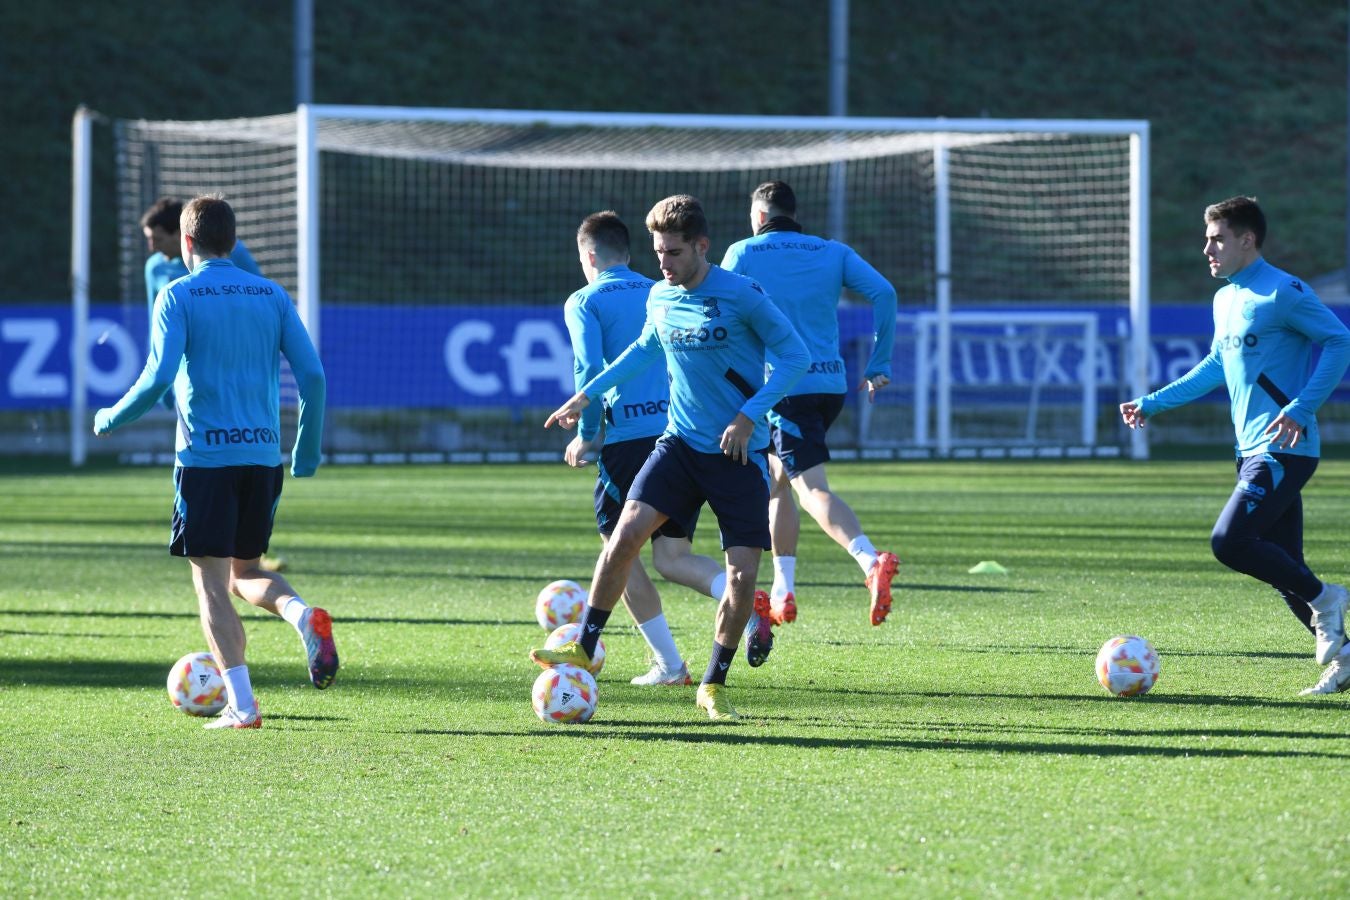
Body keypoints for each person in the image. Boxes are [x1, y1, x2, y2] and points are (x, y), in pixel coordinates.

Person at [532, 194, 809, 721]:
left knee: (744, 577)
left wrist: (749, 415)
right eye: (658, 251)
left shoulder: (743, 294)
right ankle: (586, 645)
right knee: (624, 538)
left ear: (702, 247)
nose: (663, 263)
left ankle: (713, 684)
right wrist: (586, 395)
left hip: (735, 454)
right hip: (678, 444)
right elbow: (641, 350)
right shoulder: (659, 295)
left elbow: (795, 356)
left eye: (674, 252)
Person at [96, 195, 336, 729]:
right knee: (243, 571)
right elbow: (314, 378)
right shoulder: (270, 294)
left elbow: (157, 377)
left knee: (209, 584)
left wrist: (111, 417)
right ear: (232, 241)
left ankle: (243, 706)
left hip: (205, 460)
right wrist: (308, 451)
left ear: (185, 243)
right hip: (262, 457)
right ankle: (303, 616)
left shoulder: (176, 294)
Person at [1120, 195, 1350, 695]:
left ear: (1247, 240)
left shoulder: (1283, 292)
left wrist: (1302, 406)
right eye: (1207, 239)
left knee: (1231, 542)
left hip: (1285, 447)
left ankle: (1329, 599)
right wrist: (1153, 403)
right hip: (1249, 449)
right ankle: (1347, 655)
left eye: (1217, 238)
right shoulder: (1226, 297)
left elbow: (1340, 340)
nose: (1207, 248)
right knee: (1284, 566)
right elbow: (1214, 367)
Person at [721, 181, 900, 628]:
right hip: (829, 387)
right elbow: (885, 294)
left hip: (783, 389)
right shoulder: (831, 251)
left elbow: (718, 311)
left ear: (759, 217)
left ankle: (868, 560)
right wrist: (878, 363)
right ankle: (784, 589)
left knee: (810, 487)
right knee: (779, 483)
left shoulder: (742, 253)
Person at [563, 210, 731, 686]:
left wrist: (588, 432)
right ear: (631, 253)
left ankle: (670, 665)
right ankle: (740, 599)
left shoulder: (584, 300)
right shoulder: (662, 289)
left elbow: (586, 366)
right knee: (672, 556)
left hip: (627, 439)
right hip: (680, 436)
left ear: (589, 256)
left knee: (621, 552)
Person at [140, 197, 289, 574]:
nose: (151, 245)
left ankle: (236, 553)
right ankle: (236, 554)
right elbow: (153, 323)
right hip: (184, 379)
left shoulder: (230, 265)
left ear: (182, 236)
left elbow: (251, 291)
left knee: (218, 463)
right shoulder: (155, 270)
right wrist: (159, 380)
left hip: (231, 378)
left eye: (156, 236)